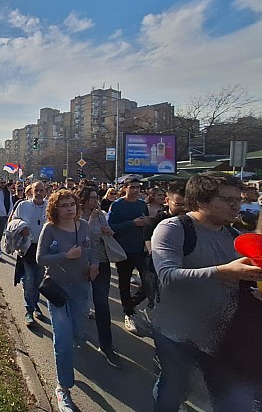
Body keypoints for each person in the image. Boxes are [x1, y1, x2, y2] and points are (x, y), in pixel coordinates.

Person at [152, 172, 262, 411]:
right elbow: (168, 276)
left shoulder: (235, 237)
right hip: (176, 335)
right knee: (173, 392)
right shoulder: (173, 228)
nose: (236, 206)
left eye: (238, 199)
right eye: (228, 200)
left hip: (222, 337)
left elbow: (242, 281)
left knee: (233, 402)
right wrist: (222, 271)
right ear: (202, 201)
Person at [36, 190, 97, 412]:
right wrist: (65, 256)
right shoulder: (50, 229)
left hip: (81, 288)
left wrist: (95, 264)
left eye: (72, 204)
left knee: (77, 332)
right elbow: (40, 258)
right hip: (58, 290)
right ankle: (63, 388)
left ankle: (71, 353)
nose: (69, 208)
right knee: (62, 339)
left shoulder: (84, 226)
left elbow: (93, 249)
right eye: (64, 205)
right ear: (55, 209)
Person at [78, 186, 120, 368]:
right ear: (83, 199)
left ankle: (106, 344)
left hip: (102, 263)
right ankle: (77, 335)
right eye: (91, 198)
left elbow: (107, 230)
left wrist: (108, 231)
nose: (95, 201)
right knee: (80, 302)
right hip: (80, 264)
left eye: (96, 197)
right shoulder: (76, 216)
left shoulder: (101, 214)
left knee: (101, 303)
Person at [108, 176, 149, 335]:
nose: (136, 190)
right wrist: (133, 223)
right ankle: (129, 313)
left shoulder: (142, 204)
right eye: (132, 187)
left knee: (148, 281)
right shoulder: (117, 205)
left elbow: (145, 223)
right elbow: (112, 227)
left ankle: (130, 304)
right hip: (123, 250)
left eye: (138, 187)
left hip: (140, 249)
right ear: (124, 188)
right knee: (124, 282)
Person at [142, 181, 188, 321]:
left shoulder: (191, 221)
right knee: (157, 299)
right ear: (167, 201)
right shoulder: (153, 222)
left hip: (186, 268)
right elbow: (152, 250)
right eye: (178, 204)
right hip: (158, 269)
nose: (183, 209)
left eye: (187, 204)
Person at [12, 181, 47, 326]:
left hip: (43, 248)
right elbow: (13, 221)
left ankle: (35, 305)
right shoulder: (23, 205)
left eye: (41, 190)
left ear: (45, 192)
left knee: (38, 280)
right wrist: (21, 227)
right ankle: (29, 310)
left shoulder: (50, 206)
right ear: (31, 191)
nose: (38, 193)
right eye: (36, 190)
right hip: (27, 248)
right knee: (28, 279)